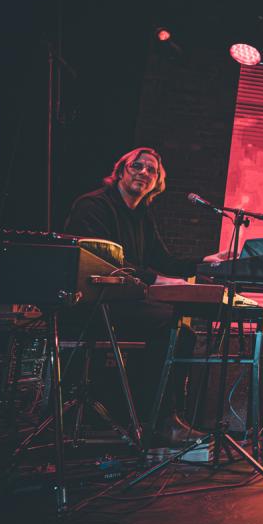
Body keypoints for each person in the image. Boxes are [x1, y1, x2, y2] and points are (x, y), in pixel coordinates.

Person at [64, 147, 228, 444]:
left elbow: (164, 260)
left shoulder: (141, 216)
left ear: (157, 182)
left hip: (120, 304)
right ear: (120, 171)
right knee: (170, 325)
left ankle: (152, 416)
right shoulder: (93, 206)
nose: (143, 172)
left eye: (151, 170)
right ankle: (161, 421)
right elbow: (104, 261)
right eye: (136, 166)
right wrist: (157, 279)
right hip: (88, 304)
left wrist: (205, 261)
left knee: (179, 328)